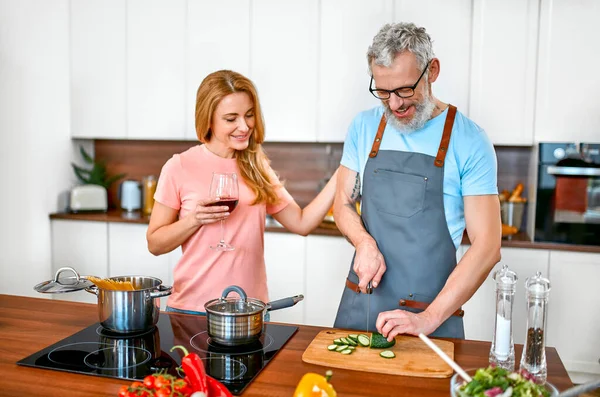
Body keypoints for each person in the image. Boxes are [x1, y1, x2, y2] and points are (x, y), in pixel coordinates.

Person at [333, 22, 501, 339]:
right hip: (363, 305)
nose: (395, 104)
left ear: (432, 70)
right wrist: (363, 242)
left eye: (405, 90)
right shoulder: (364, 127)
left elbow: (488, 246)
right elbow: (341, 203)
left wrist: (427, 319)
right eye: (383, 92)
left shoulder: (470, 140)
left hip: (430, 316)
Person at [147, 70, 337, 315]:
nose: (244, 126)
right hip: (192, 309)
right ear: (208, 120)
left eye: (249, 115)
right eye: (231, 118)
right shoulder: (179, 166)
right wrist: (194, 220)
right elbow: (155, 243)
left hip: (249, 309)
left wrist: (343, 171)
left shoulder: (257, 166)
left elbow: (301, 223)